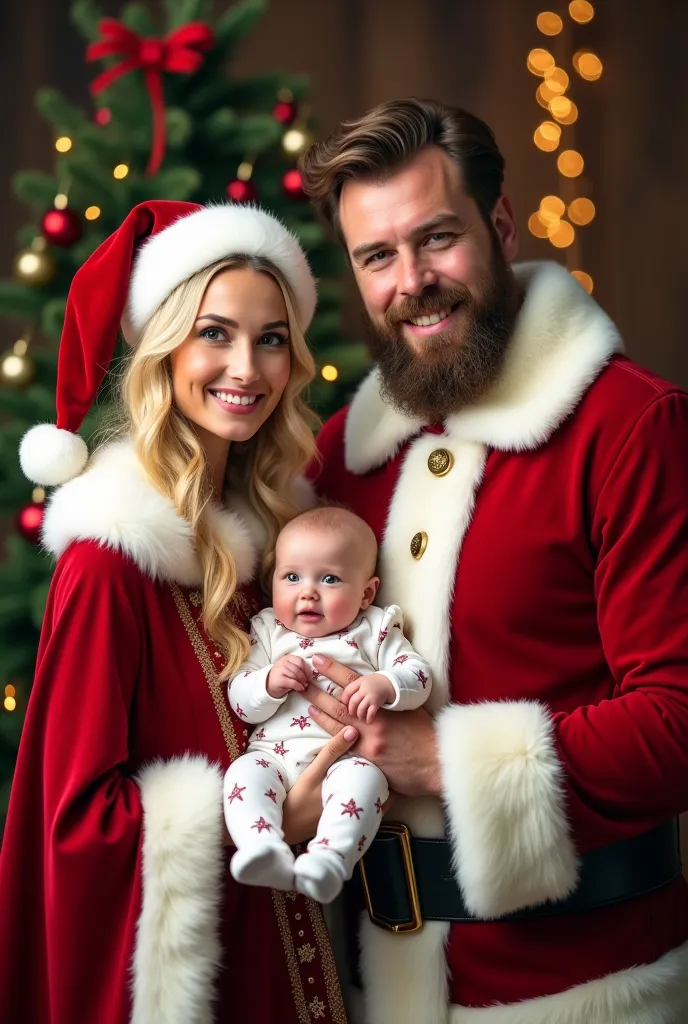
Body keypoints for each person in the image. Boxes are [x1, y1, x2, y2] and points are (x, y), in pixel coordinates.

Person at [298, 98, 688, 1023]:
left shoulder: (630, 426)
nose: (412, 281)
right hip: (369, 996)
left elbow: (678, 719)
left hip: (587, 992)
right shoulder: (338, 458)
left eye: (437, 239)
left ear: (500, 223)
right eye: (377, 257)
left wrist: (444, 760)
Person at [0, 200, 353, 1024]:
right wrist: (259, 819)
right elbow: (77, 826)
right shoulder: (110, 564)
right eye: (214, 333)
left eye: (272, 338)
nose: (248, 368)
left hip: (297, 963)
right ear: (163, 348)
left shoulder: (286, 552)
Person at [224, 505, 431, 904]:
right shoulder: (268, 629)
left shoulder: (375, 627)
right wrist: (267, 683)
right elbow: (241, 698)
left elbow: (418, 674)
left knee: (366, 784)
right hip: (274, 758)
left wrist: (385, 684)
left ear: (366, 592)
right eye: (292, 577)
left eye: (330, 578)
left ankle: (331, 860)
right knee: (243, 775)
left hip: (350, 757)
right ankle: (260, 846)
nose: (308, 591)